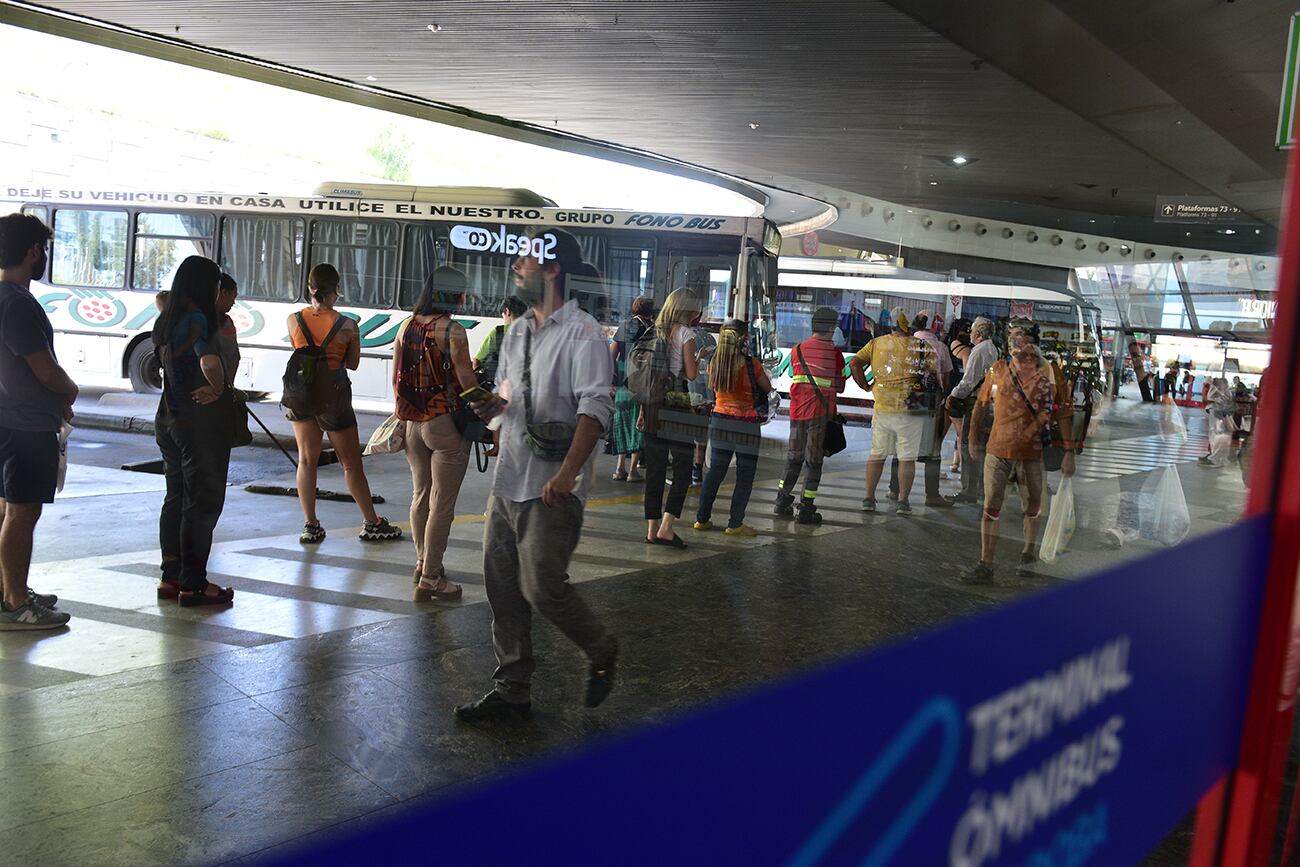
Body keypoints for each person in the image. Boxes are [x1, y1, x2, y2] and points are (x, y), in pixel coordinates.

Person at [455, 227, 618, 724]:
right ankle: (512, 689)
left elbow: (596, 408)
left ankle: (601, 646)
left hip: (553, 487)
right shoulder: (518, 331)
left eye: (524, 259)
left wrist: (569, 474)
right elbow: (509, 401)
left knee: (542, 588)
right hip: (509, 481)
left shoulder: (584, 334)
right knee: (503, 588)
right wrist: (484, 405)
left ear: (551, 269)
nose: (515, 267)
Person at [286, 263, 401, 545]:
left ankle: (311, 525)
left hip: (300, 393)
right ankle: (372, 523)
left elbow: (300, 350)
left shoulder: (292, 319)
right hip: (334, 396)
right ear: (337, 289)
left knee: (306, 460)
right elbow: (352, 364)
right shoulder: (348, 325)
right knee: (350, 464)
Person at [0, 213, 74, 629]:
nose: (43, 255)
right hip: (26, 424)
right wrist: (69, 388)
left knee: (6, 509)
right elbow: (44, 369)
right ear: (32, 251)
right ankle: (15, 604)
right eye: (42, 249)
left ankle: (6, 589)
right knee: (22, 513)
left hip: (5, 420)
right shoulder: (17, 302)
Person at [153, 256, 237, 607]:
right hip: (197, 421)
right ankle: (195, 584)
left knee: (175, 497)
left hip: (167, 418)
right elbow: (209, 361)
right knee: (201, 503)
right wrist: (218, 388)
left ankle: (171, 576)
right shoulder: (198, 318)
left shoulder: (165, 319)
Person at [962, 325, 1075, 584]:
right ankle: (985, 564)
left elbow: (1064, 413)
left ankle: (1027, 553)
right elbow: (980, 404)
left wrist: (1069, 452)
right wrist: (970, 437)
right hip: (998, 449)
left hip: (1032, 453)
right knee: (991, 507)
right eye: (1014, 340)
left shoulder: (1051, 372)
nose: (1019, 346)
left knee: (1032, 508)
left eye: (1024, 342)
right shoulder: (998, 369)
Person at [394, 266, 478, 603]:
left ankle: (421, 563)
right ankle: (431, 580)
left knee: (420, 495)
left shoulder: (406, 325)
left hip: (412, 422)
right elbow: (468, 386)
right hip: (443, 423)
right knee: (442, 505)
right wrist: (498, 408)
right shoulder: (453, 331)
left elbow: (397, 377)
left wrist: (402, 415)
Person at [850, 307, 938, 515]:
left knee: (877, 454)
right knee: (907, 457)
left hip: (883, 406)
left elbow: (854, 364)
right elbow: (933, 375)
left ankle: (869, 498)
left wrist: (866, 386)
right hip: (912, 406)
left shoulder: (876, 343)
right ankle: (903, 502)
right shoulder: (921, 346)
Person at [693, 319, 771, 536]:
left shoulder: (714, 362)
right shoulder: (750, 363)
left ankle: (702, 519)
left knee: (715, 471)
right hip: (746, 424)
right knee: (745, 476)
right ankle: (735, 524)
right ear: (743, 338)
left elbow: (713, 388)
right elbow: (767, 388)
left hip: (719, 420)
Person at [640, 288, 702, 548]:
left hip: (652, 404)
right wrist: (698, 359)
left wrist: (643, 410)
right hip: (676, 403)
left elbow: (647, 376)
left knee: (654, 469)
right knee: (683, 467)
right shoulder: (686, 334)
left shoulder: (653, 330)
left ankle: (652, 529)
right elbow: (690, 374)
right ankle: (667, 527)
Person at [775, 306, 845, 525]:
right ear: (831, 328)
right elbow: (840, 387)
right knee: (813, 463)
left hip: (797, 413)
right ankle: (806, 508)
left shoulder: (797, 350)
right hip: (820, 415)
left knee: (793, 458)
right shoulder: (835, 354)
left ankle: (782, 500)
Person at [901, 309, 953, 509]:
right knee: (933, 449)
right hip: (930, 401)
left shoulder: (906, 344)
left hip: (908, 398)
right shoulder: (940, 346)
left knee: (906, 446)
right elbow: (946, 379)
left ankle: (894, 489)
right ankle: (932, 495)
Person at [946, 317, 998, 505]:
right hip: (990, 402)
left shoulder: (979, 351)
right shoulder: (994, 348)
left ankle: (969, 490)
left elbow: (969, 381)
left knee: (969, 445)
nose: (970, 334)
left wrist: (952, 395)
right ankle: (983, 490)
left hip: (976, 402)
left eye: (973, 330)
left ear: (977, 333)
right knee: (983, 446)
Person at [609, 296, 654, 482]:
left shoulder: (624, 325)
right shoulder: (652, 330)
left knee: (621, 423)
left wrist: (612, 380)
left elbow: (612, 354)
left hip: (622, 383)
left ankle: (619, 468)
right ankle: (633, 470)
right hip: (641, 384)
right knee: (638, 425)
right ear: (650, 311)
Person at [474, 295, 527, 386]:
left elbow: (477, 361)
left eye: (503, 315)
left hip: (500, 388)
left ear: (507, 311)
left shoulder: (499, 332)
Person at [945, 318, 973, 476]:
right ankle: (961, 466)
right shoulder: (965, 349)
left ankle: (955, 463)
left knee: (942, 434)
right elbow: (968, 376)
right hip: (958, 396)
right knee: (962, 433)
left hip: (947, 393)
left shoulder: (948, 344)